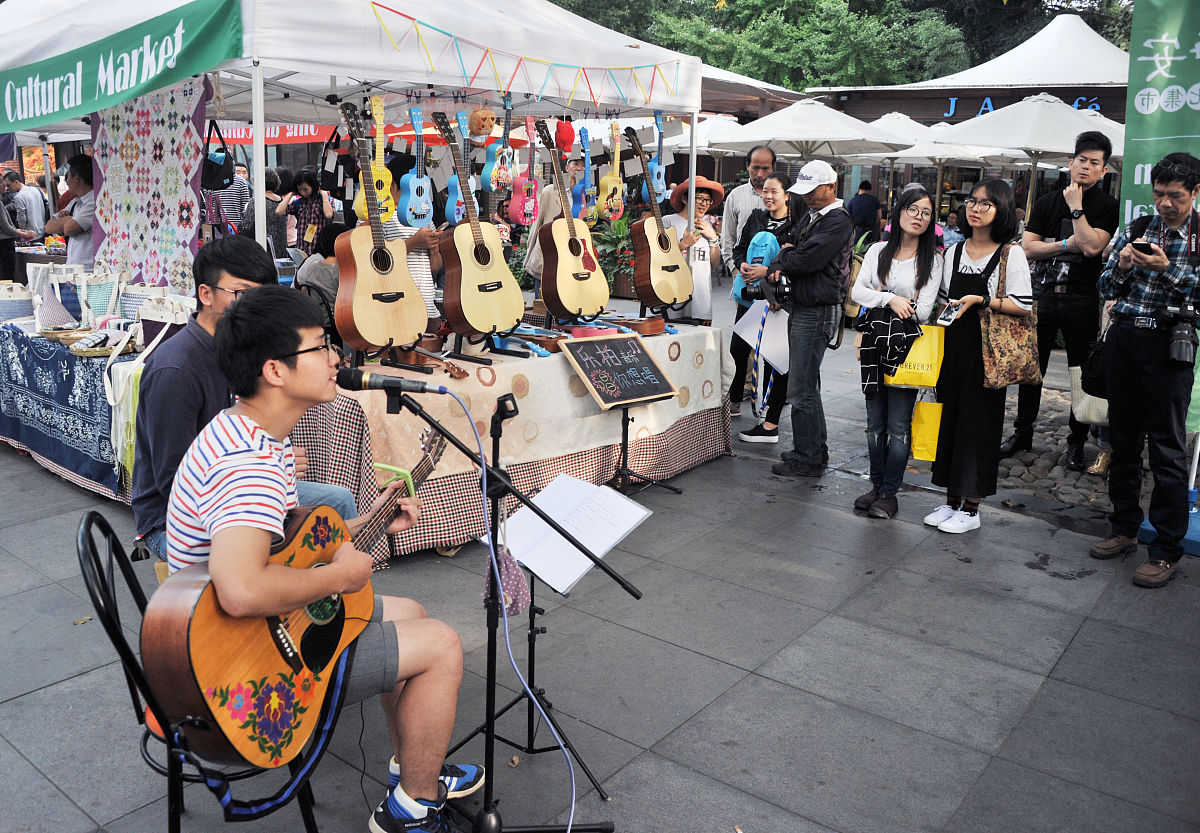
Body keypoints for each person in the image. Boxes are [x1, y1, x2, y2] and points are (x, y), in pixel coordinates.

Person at [165, 284, 483, 833]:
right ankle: (413, 810)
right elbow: (240, 590)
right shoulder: (250, 467)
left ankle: (415, 766)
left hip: (247, 638)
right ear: (275, 371)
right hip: (247, 671)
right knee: (444, 645)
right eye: (319, 347)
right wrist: (339, 573)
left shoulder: (249, 434)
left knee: (410, 612)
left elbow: (284, 546)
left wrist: (367, 522)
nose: (337, 359)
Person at [132, 236, 358, 562]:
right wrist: (263, 471)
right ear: (205, 294)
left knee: (337, 501)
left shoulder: (244, 347)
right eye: (241, 294)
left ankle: (337, 602)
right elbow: (174, 483)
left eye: (261, 295)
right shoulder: (175, 369)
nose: (252, 307)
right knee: (298, 536)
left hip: (236, 478)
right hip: (169, 520)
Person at [1089, 152, 1200, 589]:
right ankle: (1123, 527)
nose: (1166, 204)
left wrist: (1168, 271)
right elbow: (1104, 286)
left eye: (1175, 196)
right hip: (1126, 338)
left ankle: (1166, 550)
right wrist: (1121, 265)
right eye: (1159, 195)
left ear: (1195, 193)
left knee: (1168, 450)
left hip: (1170, 345)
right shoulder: (1137, 228)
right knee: (1123, 439)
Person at [1002, 131, 1119, 469]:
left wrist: (1076, 210)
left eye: (1094, 163)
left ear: (1103, 170)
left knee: (1080, 374)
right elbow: (1028, 248)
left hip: (1082, 299)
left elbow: (1094, 248)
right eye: (1081, 159)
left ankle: (1076, 442)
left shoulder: (1107, 206)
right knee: (1030, 370)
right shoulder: (1045, 201)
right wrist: (1067, 244)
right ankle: (1022, 433)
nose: (1086, 166)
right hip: (1043, 297)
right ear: (1070, 162)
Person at [924, 179, 1032, 534]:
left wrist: (982, 301)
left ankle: (972, 508)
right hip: (953, 348)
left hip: (988, 355)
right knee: (951, 421)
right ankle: (951, 500)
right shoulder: (953, 252)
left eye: (986, 204)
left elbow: (1023, 306)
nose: (975, 208)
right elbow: (940, 297)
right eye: (972, 201)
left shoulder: (1009, 253)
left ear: (1001, 210)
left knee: (979, 426)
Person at [851, 186, 943, 519]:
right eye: (913, 209)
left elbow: (923, 311)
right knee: (874, 424)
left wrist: (883, 294)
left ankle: (890, 493)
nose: (919, 217)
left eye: (926, 212)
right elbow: (858, 291)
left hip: (905, 348)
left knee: (898, 426)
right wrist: (890, 299)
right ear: (899, 211)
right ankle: (876, 486)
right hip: (875, 344)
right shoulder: (877, 250)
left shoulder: (933, 259)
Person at [769, 160, 855, 478]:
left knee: (801, 388)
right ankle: (813, 449)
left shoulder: (837, 220)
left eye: (812, 191)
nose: (806, 197)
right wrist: (787, 256)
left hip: (817, 307)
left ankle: (809, 455)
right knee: (807, 385)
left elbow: (806, 259)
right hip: (806, 305)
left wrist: (786, 258)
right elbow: (788, 246)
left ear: (830, 188)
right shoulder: (814, 215)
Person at [730, 172, 796, 431]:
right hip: (748, 296)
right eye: (765, 191)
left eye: (774, 192)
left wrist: (767, 271)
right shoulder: (756, 218)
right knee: (738, 349)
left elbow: (792, 260)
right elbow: (739, 248)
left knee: (772, 356)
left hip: (777, 302)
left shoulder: (795, 224)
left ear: (787, 195)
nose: (768, 196)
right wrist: (742, 264)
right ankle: (734, 400)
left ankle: (768, 411)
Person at [380, 153, 443, 332]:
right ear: (392, 185)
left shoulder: (423, 216)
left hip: (428, 308)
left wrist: (434, 250)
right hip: (397, 308)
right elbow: (380, 262)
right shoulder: (381, 217)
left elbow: (434, 268)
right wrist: (414, 242)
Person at [663, 177, 723, 324]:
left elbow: (715, 264)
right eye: (699, 198)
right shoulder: (668, 222)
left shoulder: (706, 227)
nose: (704, 203)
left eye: (708, 200)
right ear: (685, 198)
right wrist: (684, 244)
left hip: (701, 303)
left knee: (700, 346)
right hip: (674, 300)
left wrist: (713, 239)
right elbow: (661, 258)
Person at [720, 145, 776, 278]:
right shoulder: (735, 196)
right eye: (756, 167)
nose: (760, 174)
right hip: (743, 271)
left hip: (775, 274)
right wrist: (735, 268)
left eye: (765, 168)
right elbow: (728, 236)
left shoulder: (785, 196)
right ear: (747, 166)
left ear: (773, 168)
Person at [44, 154, 95, 269]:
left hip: (88, 270)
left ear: (77, 178)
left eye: (68, 176)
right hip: (73, 268)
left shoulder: (94, 201)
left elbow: (69, 229)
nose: (67, 181)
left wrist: (66, 222)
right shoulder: (75, 202)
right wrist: (69, 221)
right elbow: (49, 227)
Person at [295, 222, 349, 325]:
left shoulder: (312, 267)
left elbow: (304, 292)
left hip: (316, 320)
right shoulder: (344, 271)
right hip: (340, 324)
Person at [277, 169, 334, 256]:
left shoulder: (324, 201)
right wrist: (291, 194)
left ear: (313, 186)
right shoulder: (298, 202)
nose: (302, 192)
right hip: (302, 250)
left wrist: (324, 196)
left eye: (305, 189)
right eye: (300, 189)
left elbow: (329, 215)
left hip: (319, 251)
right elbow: (279, 211)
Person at [237, 166, 288, 258]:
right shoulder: (282, 201)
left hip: (263, 250)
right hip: (281, 250)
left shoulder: (257, 201)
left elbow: (246, 226)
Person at [5, 171, 49, 240]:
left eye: (9, 185)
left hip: (30, 235)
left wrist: (23, 235)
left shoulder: (19, 197)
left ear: (16, 182)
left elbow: (21, 218)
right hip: (43, 231)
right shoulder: (36, 190)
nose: (8, 188)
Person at [847, 180, 883, 245]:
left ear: (859, 189)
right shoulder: (875, 200)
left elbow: (848, 218)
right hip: (871, 232)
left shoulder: (852, 201)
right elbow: (879, 216)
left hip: (857, 232)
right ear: (870, 190)